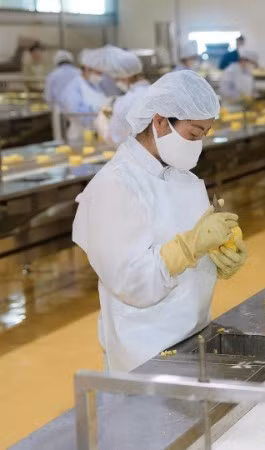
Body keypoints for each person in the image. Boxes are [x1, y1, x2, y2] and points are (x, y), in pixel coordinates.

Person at [72, 71, 247, 372]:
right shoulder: (114, 187)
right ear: (160, 122)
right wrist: (190, 246)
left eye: (204, 135)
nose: (198, 144)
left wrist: (217, 256)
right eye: (193, 134)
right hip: (145, 352)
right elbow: (133, 284)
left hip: (194, 336)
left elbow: (192, 248)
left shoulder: (186, 180)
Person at [59, 48, 110, 142]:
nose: (100, 76)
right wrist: (99, 116)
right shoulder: (73, 88)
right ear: (87, 69)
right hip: (80, 137)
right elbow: (77, 114)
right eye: (98, 72)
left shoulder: (95, 85)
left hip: (97, 135)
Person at [104, 49, 151, 145]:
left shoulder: (124, 103)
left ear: (126, 75)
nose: (115, 81)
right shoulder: (156, 90)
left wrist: (101, 121)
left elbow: (114, 139)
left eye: (116, 78)